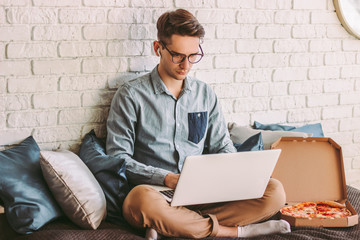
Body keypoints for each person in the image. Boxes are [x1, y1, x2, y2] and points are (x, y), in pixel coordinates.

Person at [106, 8, 291, 239]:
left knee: (274, 191)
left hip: (205, 195)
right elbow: (118, 159)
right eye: (177, 56)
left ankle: (172, 227)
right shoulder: (131, 95)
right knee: (139, 201)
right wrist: (166, 178)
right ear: (158, 48)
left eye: (193, 56)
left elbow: (222, 146)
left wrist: (239, 172)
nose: (186, 65)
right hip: (157, 194)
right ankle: (234, 232)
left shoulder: (204, 94)